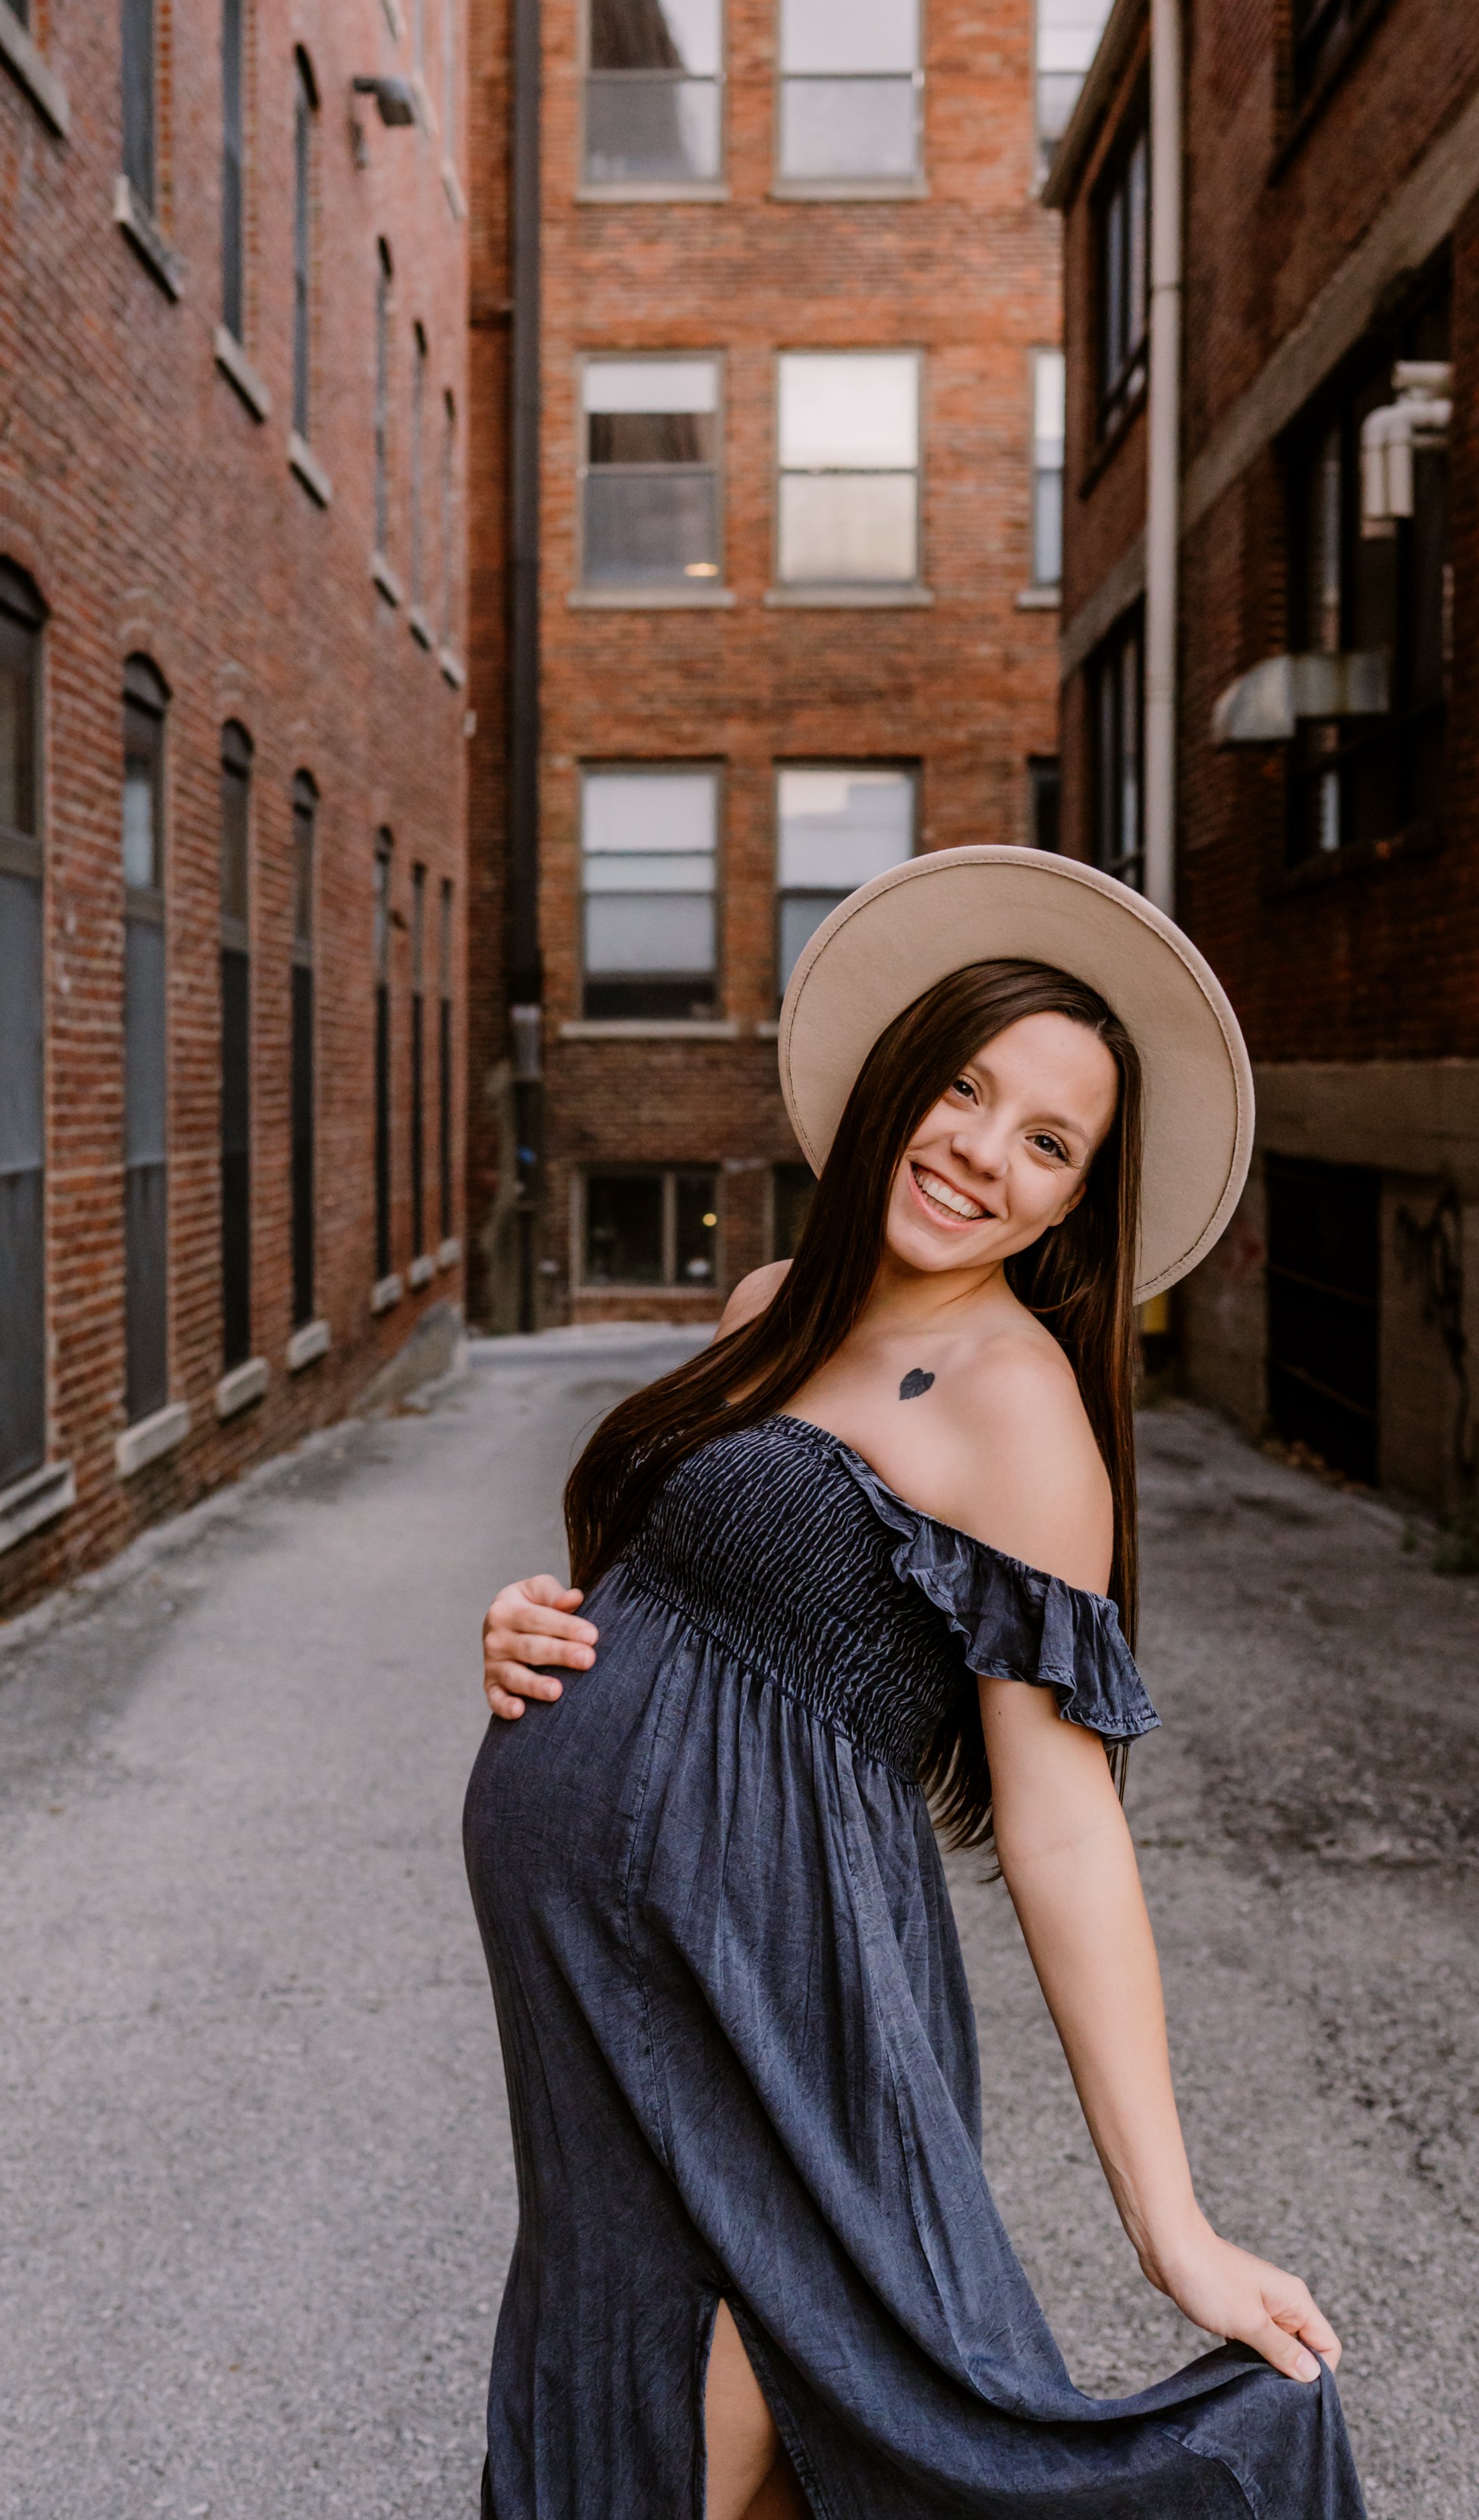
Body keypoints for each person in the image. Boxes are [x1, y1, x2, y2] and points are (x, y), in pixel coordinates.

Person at [464, 849, 1366, 2519]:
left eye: (1045, 1144)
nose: (978, 1153)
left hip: (780, 2006)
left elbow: (1062, 1824)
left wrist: (1168, 2225)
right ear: (897, 1078)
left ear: (1069, 1204)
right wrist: (534, 1621)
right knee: (646, 2426)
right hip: (607, 2018)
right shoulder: (760, 1311)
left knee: (723, 2457)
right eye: (964, 1089)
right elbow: (665, 1597)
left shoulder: (1017, 1413)